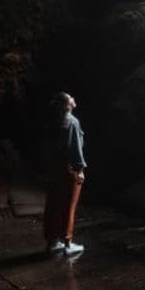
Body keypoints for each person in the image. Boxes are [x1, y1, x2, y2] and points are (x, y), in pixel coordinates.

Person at [43, 91, 87, 256]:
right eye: (71, 98)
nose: (74, 99)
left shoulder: (53, 122)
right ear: (67, 104)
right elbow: (75, 148)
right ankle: (67, 243)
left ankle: (52, 242)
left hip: (53, 169)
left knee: (53, 204)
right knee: (69, 206)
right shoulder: (72, 121)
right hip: (68, 169)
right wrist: (80, 170)